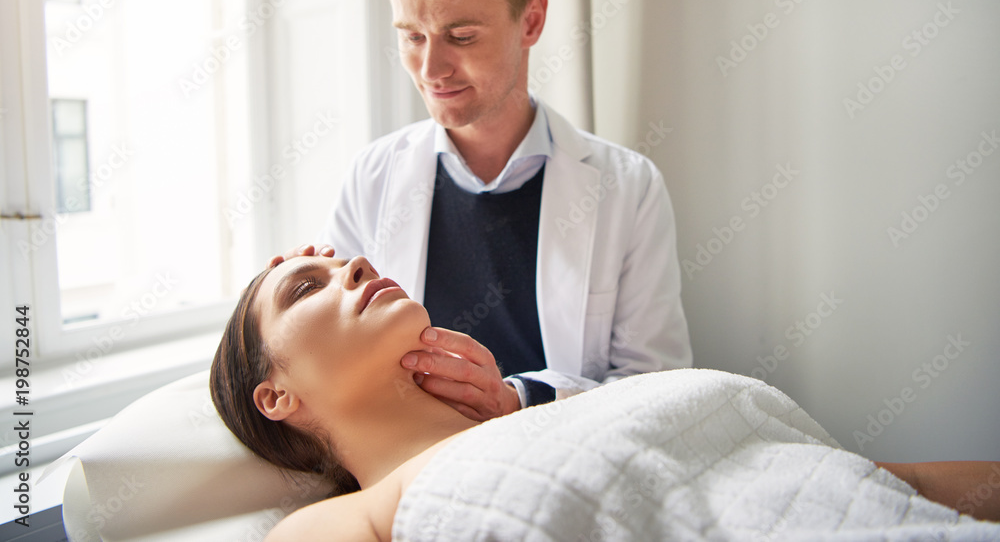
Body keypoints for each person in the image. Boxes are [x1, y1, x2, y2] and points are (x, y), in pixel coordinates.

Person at [212, 255, 999, 541]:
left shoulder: (570, 413)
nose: (349, 263)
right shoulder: (346, 515)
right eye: (305, 285)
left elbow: (877, 485)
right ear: (276, 395)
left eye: (340, 257)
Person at [286, 0, 691, 422]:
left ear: (531, 21)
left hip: (566, 463)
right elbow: (328, 365)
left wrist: (517, 399)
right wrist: (294, 301)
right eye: (412, 37)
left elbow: (656, 389)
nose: (431, 71)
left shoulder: (629, 188)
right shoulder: (372, 178)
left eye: (461, 35)